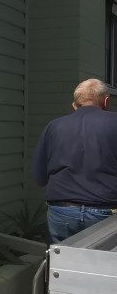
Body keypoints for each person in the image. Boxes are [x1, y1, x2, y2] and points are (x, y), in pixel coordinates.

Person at [33, 78, 117, 243]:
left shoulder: (53, 126)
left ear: (75, 104)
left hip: (61, 211)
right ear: (106, 102)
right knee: (101, 266)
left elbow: (39, 176)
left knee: (63, 264)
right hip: (104, 210)